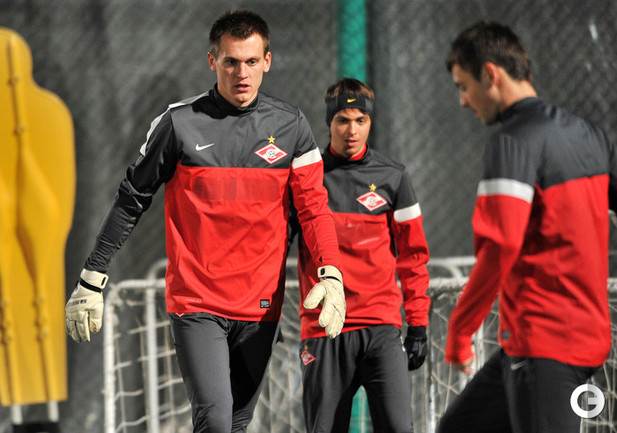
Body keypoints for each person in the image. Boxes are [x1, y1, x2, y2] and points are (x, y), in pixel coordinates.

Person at [65, 10, 346, 433]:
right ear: (212, 61)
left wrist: (331, 271)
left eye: (252, 61)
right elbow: (131, 199)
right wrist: (92, 276)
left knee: (236, 422)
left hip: (261, 306)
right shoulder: (178, 123)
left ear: (267, 61)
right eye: (231, 62)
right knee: (214, 418)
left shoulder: (292, 127)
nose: (242, 73)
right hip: (197, 303)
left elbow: (313, 208)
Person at [439, 21, 617, 433]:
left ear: (490, 74)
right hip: (575, 339)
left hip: (546, 344)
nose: (463, 102)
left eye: (463, 87)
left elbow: (500, 246)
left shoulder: (513, 140)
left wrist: (461, 329)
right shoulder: (588, 135)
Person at [292, 78, 431, 432]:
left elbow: (413, 257)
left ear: (370, 122)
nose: (351, 130)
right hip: (324, 327)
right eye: (342, 120)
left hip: (381, 326)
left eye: (360, 120)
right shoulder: (305, 179)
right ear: (329, 121)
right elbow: (274, 250)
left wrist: (418, 324)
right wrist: (267, 315)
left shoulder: (393, 177)